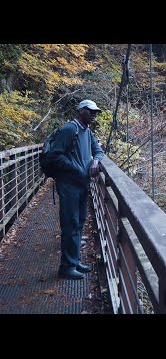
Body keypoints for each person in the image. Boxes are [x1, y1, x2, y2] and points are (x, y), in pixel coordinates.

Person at [49, 99, 104, 280]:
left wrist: (95, 161)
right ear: (81, 111)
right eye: (91, 111)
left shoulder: (86, 131)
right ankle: (66, 267)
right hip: (68, 185)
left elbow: (98, 150)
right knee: (70, 225)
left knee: (78, 223)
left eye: (96, 112)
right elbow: (55, 155)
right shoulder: (69, 129)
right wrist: (77, 168)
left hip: (81, 184)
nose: (95, 115)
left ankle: (75, 261)